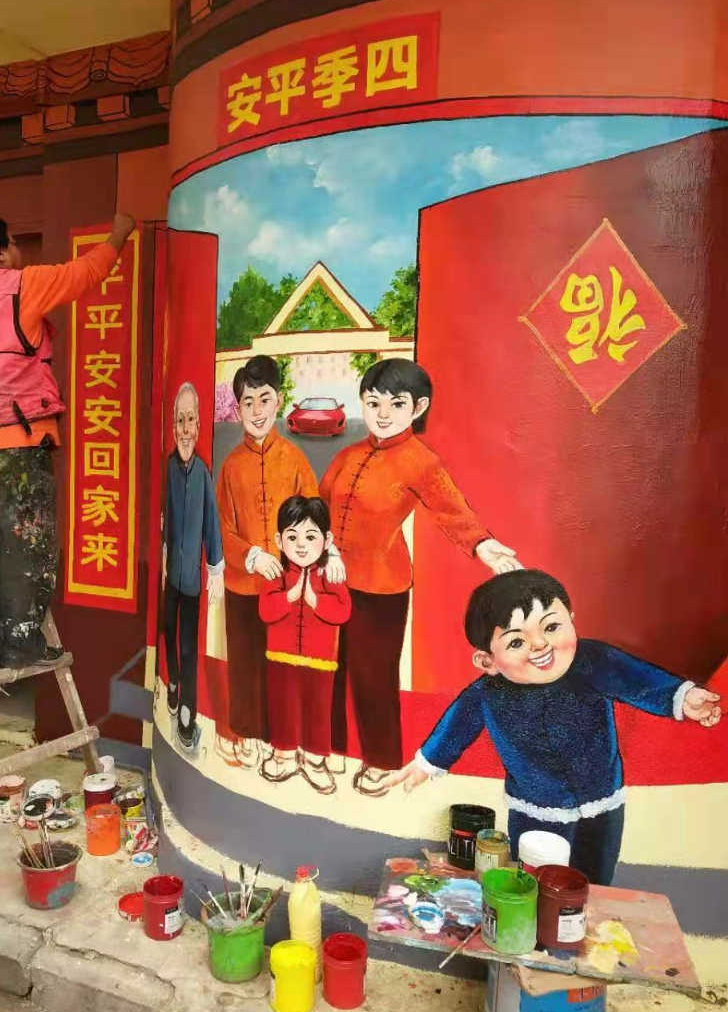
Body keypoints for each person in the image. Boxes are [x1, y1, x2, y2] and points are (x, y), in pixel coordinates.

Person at [382, 569, 723, 885]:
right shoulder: (486, 693)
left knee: (593, 885)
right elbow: (455, 728)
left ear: (571, 620)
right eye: (517, 642)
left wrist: (684, 697)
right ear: (487, 661)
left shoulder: (594, 661)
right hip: (535, 809)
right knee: (536, 885)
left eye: (551, 627)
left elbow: (638, 681)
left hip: (602, 800)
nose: (540, 645)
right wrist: (425, 764)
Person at [0, 211, 136, 677]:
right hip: (16, 438)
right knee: (26, 542)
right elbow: (87, 272)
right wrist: (119, 232)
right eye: (12, 244)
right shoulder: (23, 285)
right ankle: (22, 648)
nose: (17, 251)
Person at [319, 358, 519, 796]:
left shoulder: (420, 461)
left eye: (397, 403)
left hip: (381, 586)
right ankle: (328, 749)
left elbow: (451, 509)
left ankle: (380, 761)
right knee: (329, 666)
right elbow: (319, 505)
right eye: (374, 402)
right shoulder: (347, 455)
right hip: (329, 580)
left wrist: (483, 545)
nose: (383, 413)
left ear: (418, 407)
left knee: (373, 675)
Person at [215, 355, 318, 762]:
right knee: (244, 661)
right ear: (238, 408)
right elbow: (222, 529)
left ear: (278, 401)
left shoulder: (295, 460)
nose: (256, 411)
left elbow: (314, 519)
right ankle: (246, 733)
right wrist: (252, 555)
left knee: (283, 663)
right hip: (243, 585)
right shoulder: (230, 467)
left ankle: (282, 738)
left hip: (287, 586)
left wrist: (299, 561)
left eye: (264, 399)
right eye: (247, 402)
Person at [258, 496, 351, 792]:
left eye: (310, 537)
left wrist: (313, 600)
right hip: (280, 657)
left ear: (326, 541)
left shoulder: (330, 573)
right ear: (279, 540)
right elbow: (265, 610)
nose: (301, 545)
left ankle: (314, 760)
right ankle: (284, 755)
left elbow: (343, 611)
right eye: (292, 537)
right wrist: (289, 596)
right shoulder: (277, 573)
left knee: (317, 710)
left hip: (321, 661)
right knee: (283, 706)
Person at [162, 382, 224, 750]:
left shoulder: (201, 473)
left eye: (191, 421)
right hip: (170, 575)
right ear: (173, 427)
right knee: (167, 631)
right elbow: (164, 514)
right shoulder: (170, 469)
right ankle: (172, 683)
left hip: (191, 583)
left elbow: (211, 522)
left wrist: (215, 567)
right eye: (180, 421)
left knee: (188, 646)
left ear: (199, 426)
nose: (185, 429)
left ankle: (187, 712)